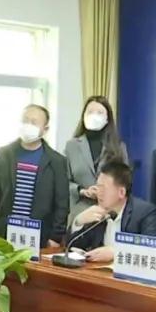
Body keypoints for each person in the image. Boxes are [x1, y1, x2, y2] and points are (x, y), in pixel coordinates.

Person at [0, 104, 70, 248]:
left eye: (34, 122)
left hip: (39, 237)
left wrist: (55, 237)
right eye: (25, 121)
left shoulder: (57, 161)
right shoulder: (4, 154)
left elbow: (62, 204)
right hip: (2, 234)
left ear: (45, 129)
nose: (28, 125)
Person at [67, 161, 156, 263]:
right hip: (97, 270)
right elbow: (71, 246)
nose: (98, 193)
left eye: (103, 188)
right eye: (98, 187)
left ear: (121, 192)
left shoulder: (145, 213)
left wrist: (116, 253)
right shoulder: (96, 213)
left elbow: (153, 253)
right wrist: (78, 222)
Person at [65, 96, 128, 228]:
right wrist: (82, 191)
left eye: (99, 113)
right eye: (90, 112)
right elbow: (64, 181)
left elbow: (125, 182)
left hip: (109, 213)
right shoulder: (72, 146)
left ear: (107, 119)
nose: (94, 116)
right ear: (83, 116)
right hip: (80, 213)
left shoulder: (118, 147)